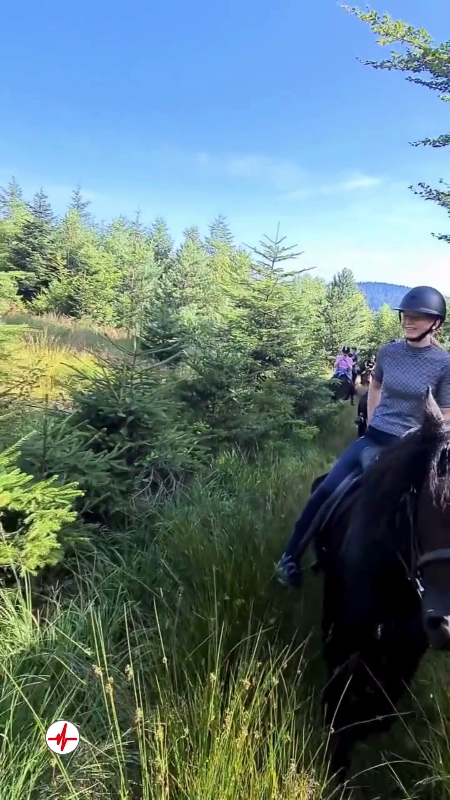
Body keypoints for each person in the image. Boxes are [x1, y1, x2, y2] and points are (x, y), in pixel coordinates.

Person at [275, 286, 450, 588]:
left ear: (436, 323)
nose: (408, 321)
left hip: (414, 450)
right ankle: (289, 558)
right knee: (326, 491)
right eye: (406, 315)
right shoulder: (389, 352)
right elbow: (376, 387)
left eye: (418, 317)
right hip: (375, 439)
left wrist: (420, 437)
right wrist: (372, 419)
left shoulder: (444, 363)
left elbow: (446, 412)